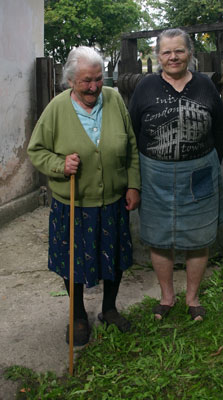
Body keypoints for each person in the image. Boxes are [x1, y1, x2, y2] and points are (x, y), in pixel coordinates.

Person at [28, 46, 140, 345]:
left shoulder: (114, 99)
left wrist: (133, 185)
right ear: (70, 81)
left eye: (98, 79)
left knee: (114, 258)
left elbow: (130, 145)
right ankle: (77, 315)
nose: (93, 87)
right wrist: (59, 165)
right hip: (74, 204)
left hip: (114, 201)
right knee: (73, 262)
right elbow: (36, 150)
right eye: (86, 81)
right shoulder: (56, 108)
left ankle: (110, 309)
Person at [129, 28, 223, 321]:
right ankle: (167, 297)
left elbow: (220, 131)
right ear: (158, 56)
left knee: (199, 238)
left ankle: (192, 298)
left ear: (189, 53)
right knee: (159, 238)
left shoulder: (205, 86)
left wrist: (207, 165)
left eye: (179, 51)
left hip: (199, 173)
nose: (173, 57)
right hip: (154, 175)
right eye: (166, 52)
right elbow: (133, 133)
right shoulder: (145, 87)